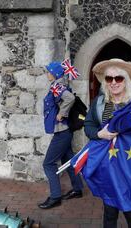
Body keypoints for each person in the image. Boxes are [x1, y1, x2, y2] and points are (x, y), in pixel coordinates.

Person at [84, 58, 131, 228]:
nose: (114, 82)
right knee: (110, 210)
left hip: (130, 163)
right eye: (109, 78)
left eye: (119, 78)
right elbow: (88, 125)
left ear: (126, 81)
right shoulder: (100, 103)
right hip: (107, 165)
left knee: (130, 209)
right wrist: (99, 133)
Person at [38, 61, 84, 209]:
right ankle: (77, 189)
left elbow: (69, 98)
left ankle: (55, 196)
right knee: (68, 161)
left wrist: (61, 113)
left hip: (62, 132)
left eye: (48, 71)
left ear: (55, 73)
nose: (47, 74)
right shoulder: (58, 84)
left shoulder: (57, 86)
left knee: (48, 164)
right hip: (64, 132)